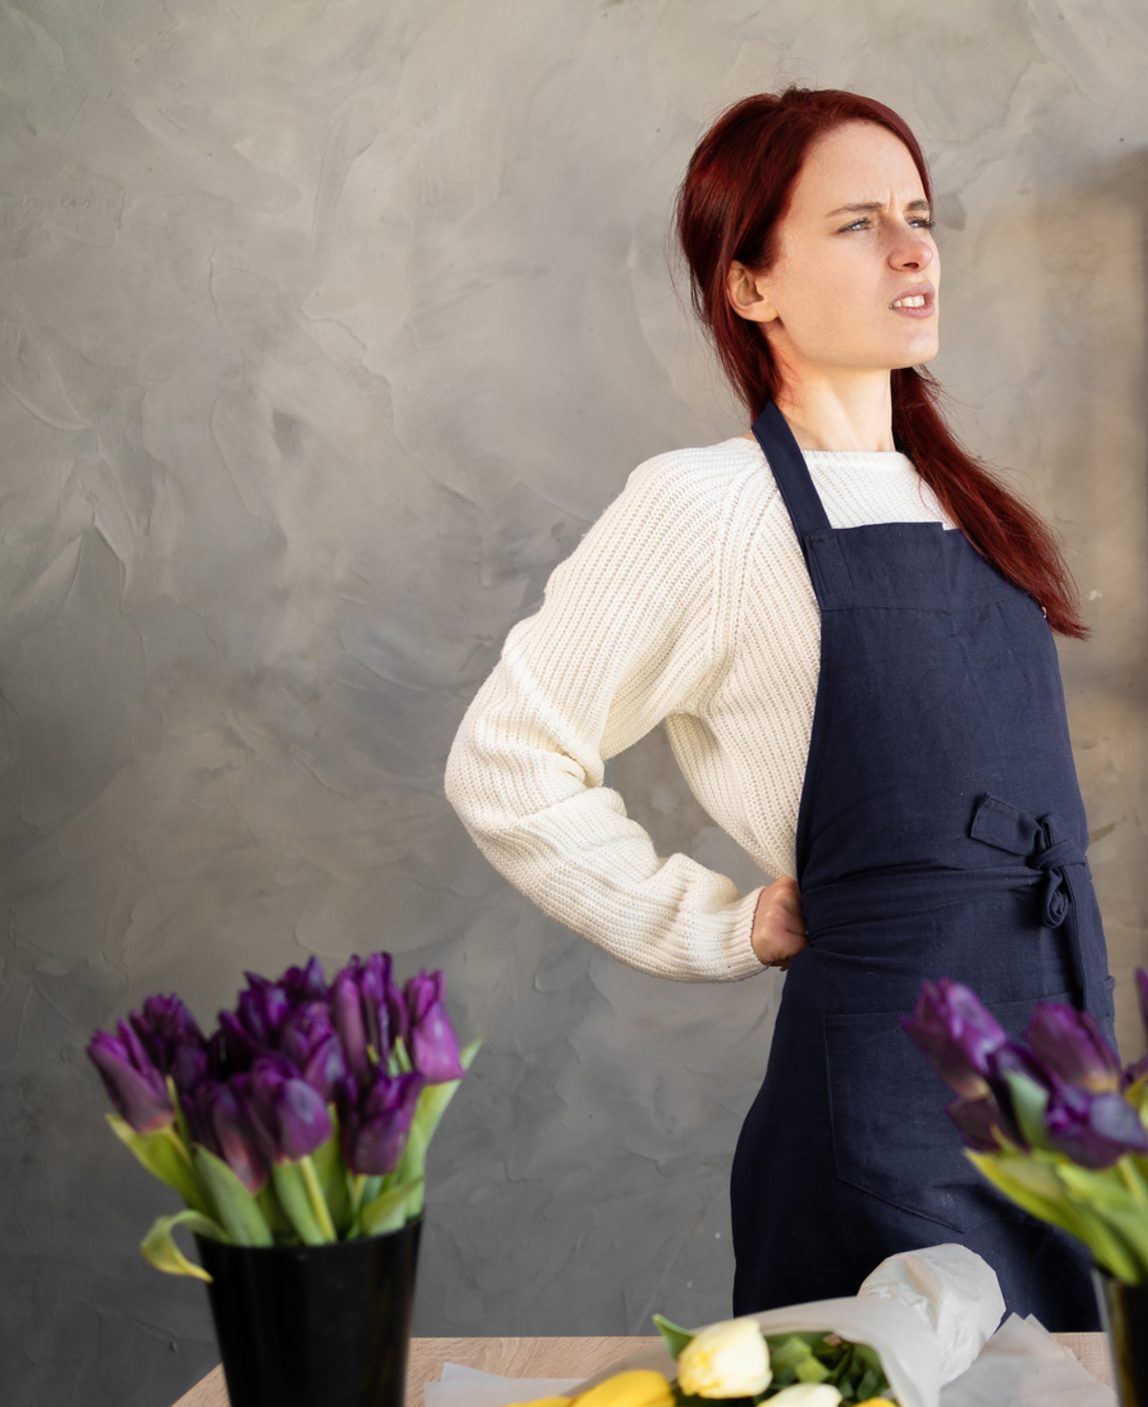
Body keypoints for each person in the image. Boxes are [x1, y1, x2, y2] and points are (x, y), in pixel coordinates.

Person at [444, 87, 1114, 1327]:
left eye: (919, 216)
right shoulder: (706, 508)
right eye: (859, 224)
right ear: (751, 284)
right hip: (886, 1101)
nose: (913, 250)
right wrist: (722, 924)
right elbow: (505, 763)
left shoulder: (963, 508)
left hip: (1054, 1070)